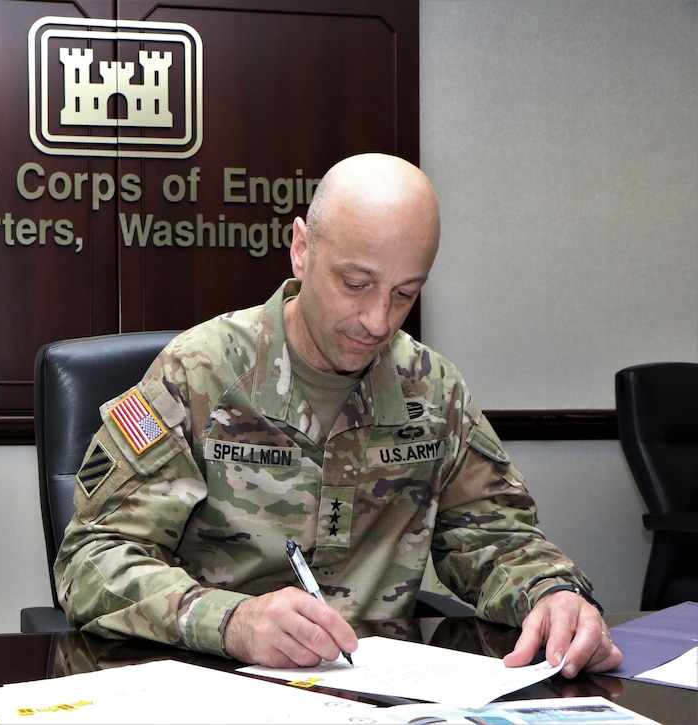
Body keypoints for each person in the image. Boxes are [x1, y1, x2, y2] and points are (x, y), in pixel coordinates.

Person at [53, 153, 622, 679]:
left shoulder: (433, 389)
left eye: (405, 293)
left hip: (381, 695)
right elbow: (92, 560)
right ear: (302, 249)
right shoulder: (200, 373)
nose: (377, 320)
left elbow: (495, 538)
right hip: (217, 685)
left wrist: (551, 593)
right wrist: (230, 621)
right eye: (356, 284)